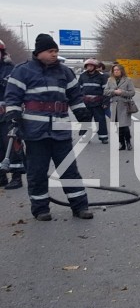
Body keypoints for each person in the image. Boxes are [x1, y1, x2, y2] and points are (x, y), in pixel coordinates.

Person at [4, 34, 93, 220]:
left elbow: (76, 97)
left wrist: (84, 118)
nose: (54, 55)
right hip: (35, 133)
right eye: (51, 51)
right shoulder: (23, 71)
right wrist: (13, 118)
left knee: (69, 170)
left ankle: (80, 206)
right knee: (37, 172)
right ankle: (41, 209)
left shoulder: (65, 72)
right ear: (39, 52)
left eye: (56, 51)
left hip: (61, 131)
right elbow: (12, 98)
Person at [0, 39, 25, 189]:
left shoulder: (10, 69)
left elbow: (13, 91)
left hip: (7, 113)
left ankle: (17, 177)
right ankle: (1, 176)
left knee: (12, 143)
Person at [105, 63, 136, 150]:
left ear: (121, 71)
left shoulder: (128, 80)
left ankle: (128, 142)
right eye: (115, 70)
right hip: (114, 106)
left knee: (124, 125)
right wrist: (114, 91)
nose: (116, 71)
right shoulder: (110, 80)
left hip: (124, 105)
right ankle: (122, 143)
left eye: (118, 70)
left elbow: (132, 92)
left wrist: (122, 92)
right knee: (118, 126)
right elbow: (105, 91)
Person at [78, 58, 109, 143]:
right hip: (86, 103)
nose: (89, 67)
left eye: (91, 65)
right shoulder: (82, 76)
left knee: (100, 120)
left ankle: (103, 137)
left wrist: (105, 102)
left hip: (98, 103)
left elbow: (105, 91)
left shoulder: (101, 76)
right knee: (85, 120)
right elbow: (78, 89)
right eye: (88, 65)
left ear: (95, 67)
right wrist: (79, 101)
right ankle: (86, 137)